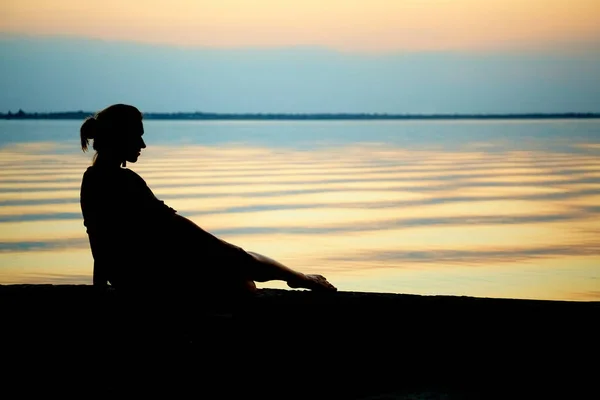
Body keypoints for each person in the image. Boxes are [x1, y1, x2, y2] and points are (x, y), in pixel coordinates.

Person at [79, 104, 336, 299]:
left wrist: (100, 288)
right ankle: (302, 279)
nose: (143, 145)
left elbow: (100, 244)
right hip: (148, 280)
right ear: (120, 137)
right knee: (241, 270)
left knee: (239, 275)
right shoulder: (124, 182)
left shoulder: (91, 179)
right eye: (138, 136)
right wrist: (225, 251)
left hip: (128, 279)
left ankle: (295, 278)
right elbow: (178, 229)